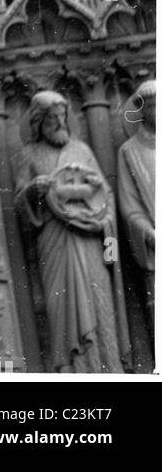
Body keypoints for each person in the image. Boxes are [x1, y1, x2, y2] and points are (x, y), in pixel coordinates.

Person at [16, 92, 123, 372]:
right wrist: (31, 191)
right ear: (39, 121)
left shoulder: (82, 151)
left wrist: (104, 221)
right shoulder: (29, 154)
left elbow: (104, 193)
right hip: (54, 240)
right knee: (60, 307)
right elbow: (18, 201)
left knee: (98, 304)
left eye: (63, 117)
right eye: (53, 118)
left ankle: (107, 368)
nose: (60, 123)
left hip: (87, 239)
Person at [117, 81, 156, 321]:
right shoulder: (129, 151)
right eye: (154, 107)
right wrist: (150, 233)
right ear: (142, 111)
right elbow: (130, 207)